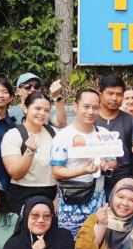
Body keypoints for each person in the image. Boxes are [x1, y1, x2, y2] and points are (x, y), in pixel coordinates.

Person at [50, 88, 116, 235]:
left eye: (95, 107)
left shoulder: (104, 134)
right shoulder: (63, 136)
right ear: (75, 106)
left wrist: (106, 165)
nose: (90, 112)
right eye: (86, 107)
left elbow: (113, 162)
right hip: (72, 199)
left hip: (98, 199)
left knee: (96, 242)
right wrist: (83, 171)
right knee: (69, 243)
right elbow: (56, 172)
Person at [1, 92, 58, 214]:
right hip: (22, 193)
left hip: (51, 191)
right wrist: (30, 151)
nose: (42, 113)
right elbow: (16, 173)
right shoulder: (13, 135)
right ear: (25, 108)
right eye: (37, 108)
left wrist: (57, 197)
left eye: (47, 110)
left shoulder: (54, 133)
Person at [96, 75, 133, 194]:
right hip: (94, 179)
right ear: (100, 94)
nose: (114, 98)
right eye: (110, 93)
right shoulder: (91, 119)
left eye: (119, 94)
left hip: (122, 180)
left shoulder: (131, 120)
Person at [0, 68, 67, 128]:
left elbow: (61, 123)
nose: (32, 89)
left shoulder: (46, 110)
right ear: (18, 91)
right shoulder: (10, 114)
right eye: (27, 86)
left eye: (36, 86)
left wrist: (57, 97)